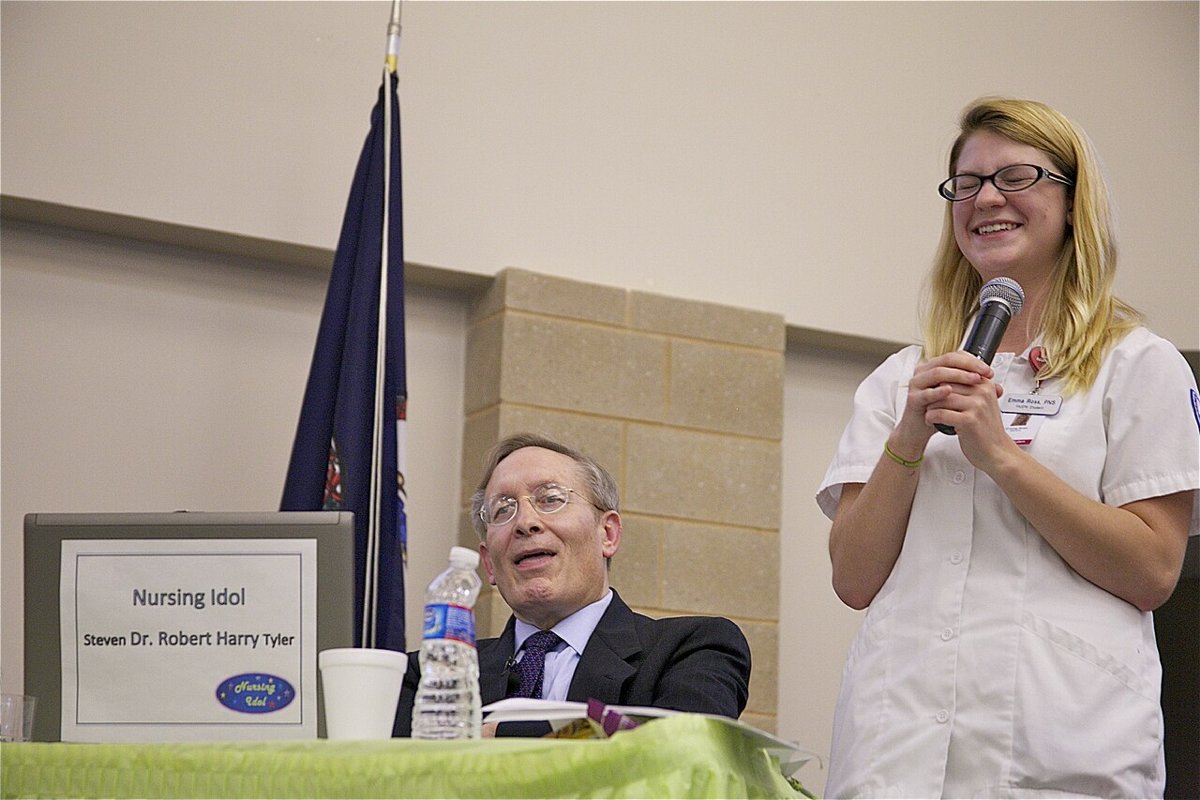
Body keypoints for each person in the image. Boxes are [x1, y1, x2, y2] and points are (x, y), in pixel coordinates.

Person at [816, 97, 1199, 798]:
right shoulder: (901, 379)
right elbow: (854, 579)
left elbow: (1152, 570)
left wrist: (1003, 458)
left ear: (1073, 200)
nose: (986, 197)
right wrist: (908, 436)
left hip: (1059, 753)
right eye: (968, 182)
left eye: (1016, 176)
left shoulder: (1139, 367)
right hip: (896, 753)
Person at [394, 432, 751, 737]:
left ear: (607, 534)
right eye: (504, 509)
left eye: (550, 499)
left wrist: (499, 734)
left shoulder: (694, 649)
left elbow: (681, 752)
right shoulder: (426, 675)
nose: (526, 522)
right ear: (488, 562)